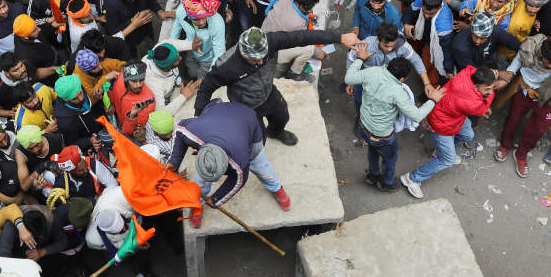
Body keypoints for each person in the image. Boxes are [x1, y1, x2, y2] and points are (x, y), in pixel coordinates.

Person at [193, 26, 359, 146]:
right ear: (243, 53)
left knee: (282, 117)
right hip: (245, 105)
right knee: (258, 139)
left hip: (268, 92)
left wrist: (339, 38)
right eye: (255, 59)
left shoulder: (271, 40)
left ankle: (276, 132)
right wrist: (198, 115)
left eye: (263, 57)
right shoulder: (226, 66)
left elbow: (303, 36)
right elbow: (207, 86)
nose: (260, 62)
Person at [169, 100, 291, 225]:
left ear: (228, 162)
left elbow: (239, 180)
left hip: (247, 120)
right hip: (219, 114)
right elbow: (180, 129)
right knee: (201, 178)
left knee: (261, 167)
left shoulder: (240, 158)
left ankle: (276, 188)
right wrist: (174, 161)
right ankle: (197, 204)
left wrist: (218, 198)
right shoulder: (193, 131)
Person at [345, 50, 441, 193]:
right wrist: (433, 100)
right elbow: (416, 115)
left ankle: (372, 176)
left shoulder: (373, 71)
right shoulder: (398, 92)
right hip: (382, 136)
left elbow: (349, 78)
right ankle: (386, 183)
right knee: (389, 159)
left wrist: (360, 59)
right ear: (402, 79)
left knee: (372, 150)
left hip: (363, 127)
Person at [494, 35, 551, 178]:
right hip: (524, 87)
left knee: (540, 126)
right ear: (540, 54)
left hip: (546, 94)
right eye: (549, 62)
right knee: (514, 118)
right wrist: (510, 73)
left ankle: (522, 153)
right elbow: (518, 60)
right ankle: (505, 145)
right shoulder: (528, 48)